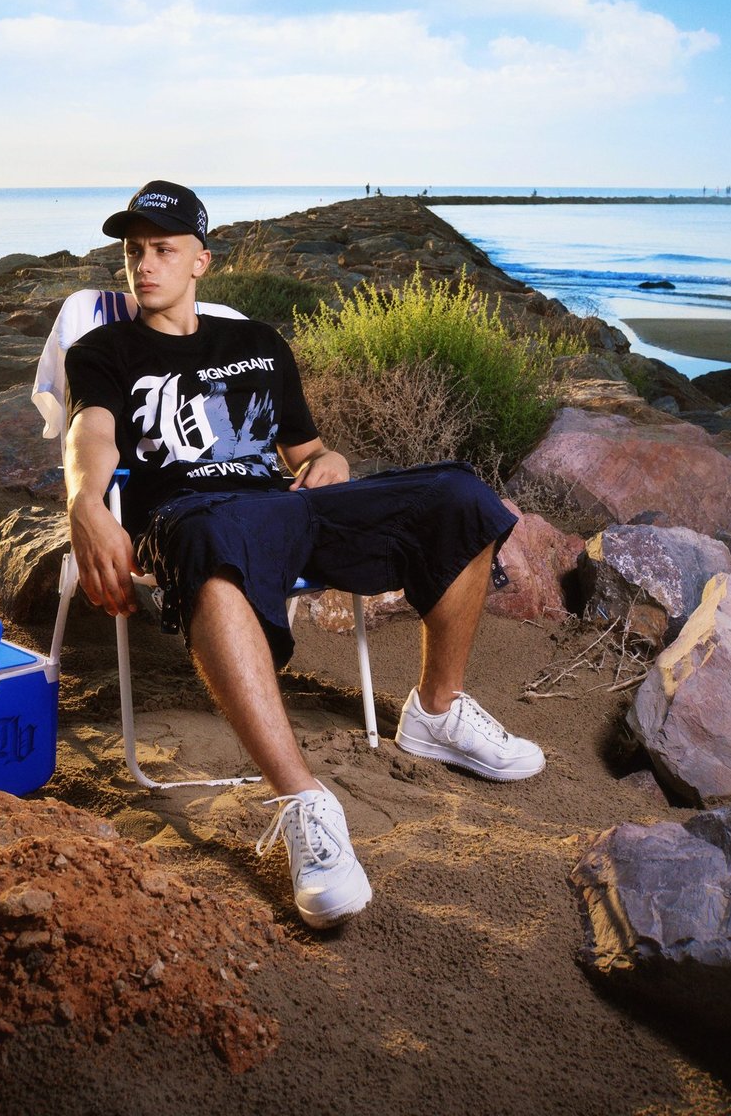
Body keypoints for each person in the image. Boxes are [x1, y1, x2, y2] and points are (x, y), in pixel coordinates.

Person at [64, 180, 545, 930]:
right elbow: (90, 433)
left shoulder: (258, 344)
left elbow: (309, 450)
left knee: (457, 494)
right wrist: (86, 503)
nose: (145, 265)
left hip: (288, 508)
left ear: (200, 260)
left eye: (163, 249)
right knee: (211, 539)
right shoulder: (104, 350)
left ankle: (437, 711)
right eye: (134, 252)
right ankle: (303, 802)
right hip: (193, 518)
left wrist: (331, 461)